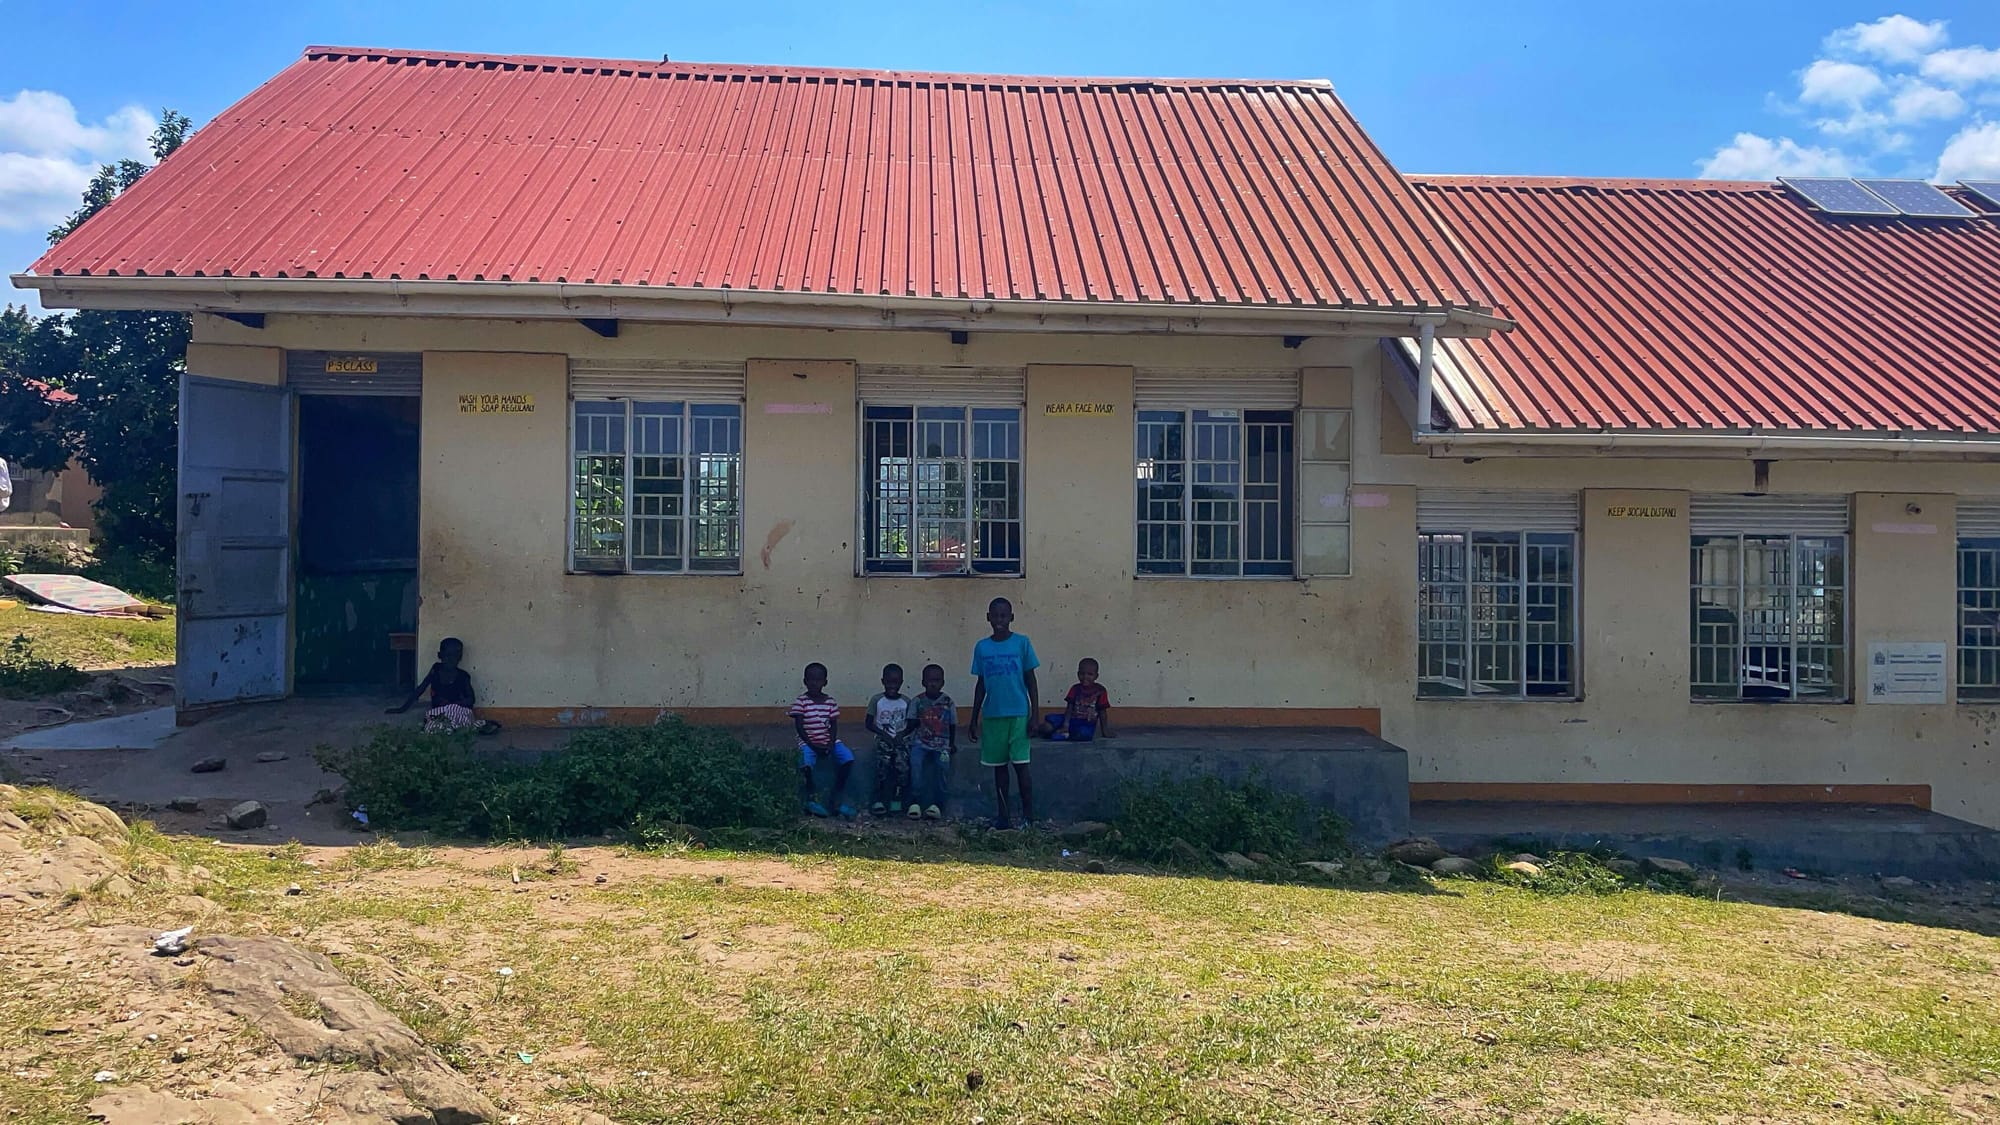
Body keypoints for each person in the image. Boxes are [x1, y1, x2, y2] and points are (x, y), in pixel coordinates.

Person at [968, 596, 1040, 829]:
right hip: (992, 715)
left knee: (1022, 767)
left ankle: (1028, 818)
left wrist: (1035, 715)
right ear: (988, 618)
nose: (999, 620)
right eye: (995, 616)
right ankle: (1004, 817)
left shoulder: (1022, 643)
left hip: (1018, 714)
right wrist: (973, 718)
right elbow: (981, 684)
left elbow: (1031, 680)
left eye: (1004, 616)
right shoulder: (982, 647)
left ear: (1011, 617)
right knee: (999, 769)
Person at [387, 637, 499, 734]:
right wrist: (402, 708)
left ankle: (465, 728)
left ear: (460, 658)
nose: (451, 660)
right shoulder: (436, 670)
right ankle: (462, 729)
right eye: (447, 656)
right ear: (440, 655)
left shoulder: (463, 676)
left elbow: (471, 700)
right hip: (439, 711)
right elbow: (420, 689)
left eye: (455, 656)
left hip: (458, 710)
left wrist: (454, 704)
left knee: (460, 719)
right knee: (432, 722)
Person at [789, 662, 855, 818]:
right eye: (810, 679)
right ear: (805, 681)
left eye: (818, 680)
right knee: (806, 764)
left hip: (828, 741)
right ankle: (811, 798)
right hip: (808, 742)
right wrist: (813, 746)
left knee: (848, 758)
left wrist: (831, 744)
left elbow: (833, 725)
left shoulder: (830, 702)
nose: (814, 683)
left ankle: (836, 796)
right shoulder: (801, 702)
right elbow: (799, 727)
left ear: (825, 682)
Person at [907, 663, 957, 820]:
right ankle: (915, 801)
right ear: (923, 682)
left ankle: (938, 804)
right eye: (929, 680)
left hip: (942, 745)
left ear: (942, 682)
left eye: (937, 680)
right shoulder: (918, 701)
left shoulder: (948, 702)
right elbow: (911, 723)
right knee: (915, 765)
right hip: (920, 743)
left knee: (942, 768)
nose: (933, 684)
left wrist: (951, 744)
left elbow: (952, 725)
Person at [864, 663, 914, 815]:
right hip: (883, 740)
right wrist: (883, 734)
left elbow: (912, 723)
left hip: (900, 740)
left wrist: (902, 734)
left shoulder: (906, 701)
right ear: (883, 681)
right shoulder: (877, 700)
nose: (892, 686)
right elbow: (868, 723)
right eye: (889, 682)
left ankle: (896, 799)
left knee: (902, 766)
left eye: (896, 682)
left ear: (901, 682)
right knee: (882, 765)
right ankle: (878, 799)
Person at [1047, 657, 1115, 741]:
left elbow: (1102, 712)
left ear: (1096, 676)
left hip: (1087, 723)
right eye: (1082, 674)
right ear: (1078, 674)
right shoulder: (1075, 689)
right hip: (1071, 720)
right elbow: (1069, 708)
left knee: (1083, 735)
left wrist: (1105, 731)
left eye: (1090, 674)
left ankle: (1063, 734)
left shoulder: (1100, 691)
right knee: (1047, 726)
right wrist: (1065, 724)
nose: (1085, 677)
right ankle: (1062, 732)